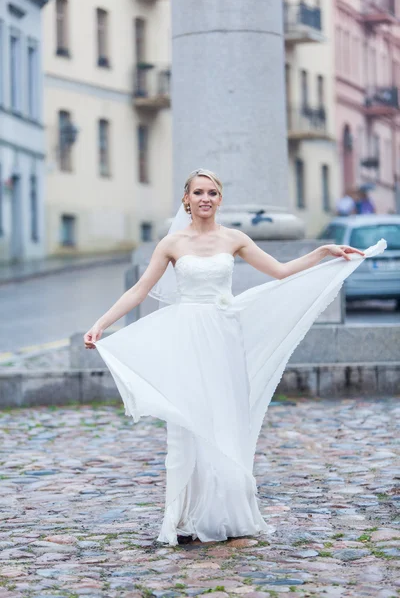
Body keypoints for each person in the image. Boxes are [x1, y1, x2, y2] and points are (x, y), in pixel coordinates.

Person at [84, 169, 386, 547]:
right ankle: (188, 515)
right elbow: (140, 290)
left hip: (223, 336)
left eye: (212, 192)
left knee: (225, 419)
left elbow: (280, 271)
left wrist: (324, 252)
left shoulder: (235, 239)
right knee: (191, 423)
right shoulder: (172, 244)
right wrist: (101, 324)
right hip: (188, 337)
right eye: (198, 192)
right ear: (187, 199)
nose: (205, 198)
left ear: (220, 199)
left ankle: (225, 512)